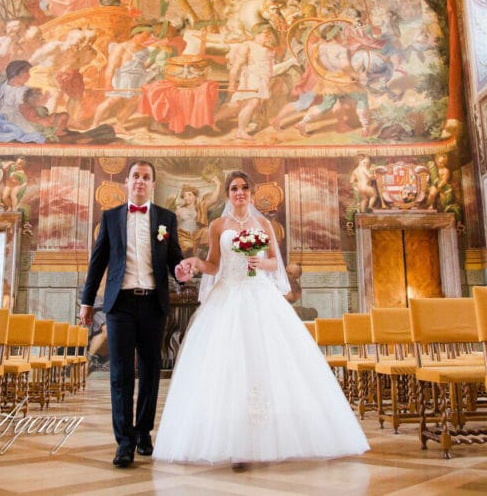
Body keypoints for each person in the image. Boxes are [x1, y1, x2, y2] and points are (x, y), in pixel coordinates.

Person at [154, 171, 369, 465]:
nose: (239, 192)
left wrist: (260, 262)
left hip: (258, 295)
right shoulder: (218, 225)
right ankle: (232, 438)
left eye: (244, 188)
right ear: (228, 194)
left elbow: (274, 263)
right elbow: (215, 265)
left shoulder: (263, 224)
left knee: (267, 362)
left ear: (251, 194)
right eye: (234, 188)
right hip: (227, 297)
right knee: (227, 366)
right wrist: (194, 263)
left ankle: (269, 436)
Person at [79, 161, 186, 468]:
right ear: (127, 182)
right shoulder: (111, 217)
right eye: (136, 177)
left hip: (153, 304)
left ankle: (143, 433)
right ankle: (124, 441)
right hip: (120, 304)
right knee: (121, 375)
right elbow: (97, 262)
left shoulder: (166, 218)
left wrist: (182, 270)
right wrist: (87, 302)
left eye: (146, 177)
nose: (140, 181)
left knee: (151, 372)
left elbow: (174, 258)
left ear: (153, 184)